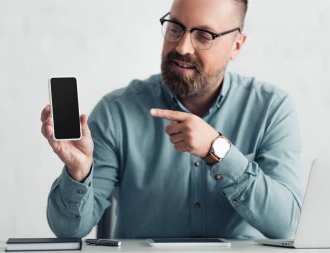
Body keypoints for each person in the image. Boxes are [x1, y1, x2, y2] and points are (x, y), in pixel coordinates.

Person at [41, 0, 303, 239]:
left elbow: (285, 225)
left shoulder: (272, 109)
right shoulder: (116, 112)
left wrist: (218, 151)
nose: (182, 47)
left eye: (204, 36)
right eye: (175, 28)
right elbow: (68, 230)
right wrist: (79, 172)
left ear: (236, 46)